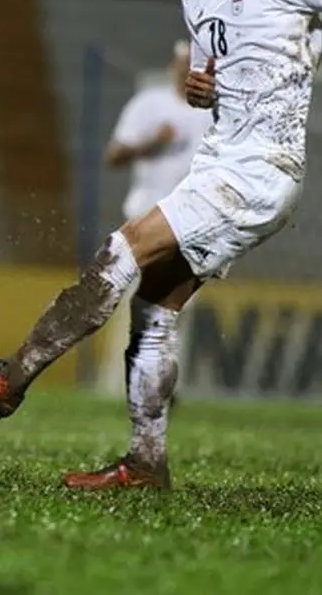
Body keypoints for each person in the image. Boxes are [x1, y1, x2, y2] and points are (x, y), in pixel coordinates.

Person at [0, 0, 322, 490]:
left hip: (261, 170)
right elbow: (204, 84)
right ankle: (146, 463)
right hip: (222, 164)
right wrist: (202, 90)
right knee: (154, 309)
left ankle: (11, 378)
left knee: (119, 250)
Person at [100, 39, 212, 397]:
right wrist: (152, 143)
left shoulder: (214, 113)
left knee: (178, 305)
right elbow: (114, 156)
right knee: (138, 299)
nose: (186, 69)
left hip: (193, 222)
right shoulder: (150, 104)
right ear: (172, 66)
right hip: (147, 213)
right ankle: (126, 380)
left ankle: (158, 380)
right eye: (182, 63)